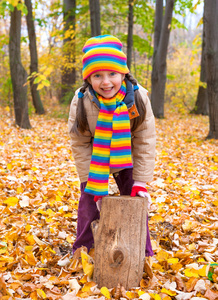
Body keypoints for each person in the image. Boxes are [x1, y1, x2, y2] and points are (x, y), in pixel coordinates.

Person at [68, 34, 156, 257]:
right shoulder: (81, 101)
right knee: (88, 205)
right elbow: (80, 142)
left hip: (126, 155)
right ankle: (82, 251)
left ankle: (142, 253)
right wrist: (91, 181)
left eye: (112, 74)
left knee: (136, 202)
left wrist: (141, 181)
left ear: (123, 73)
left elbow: (145, 140)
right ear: (88, 79)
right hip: (95, 158)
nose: (106, 82)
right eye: (97, 75)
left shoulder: (138, 98)